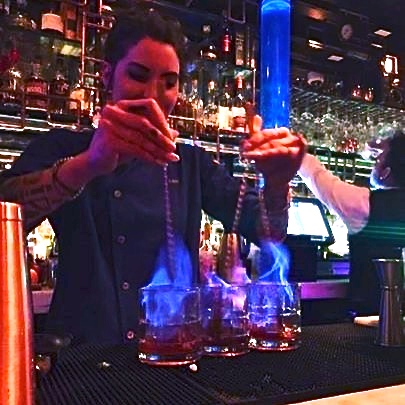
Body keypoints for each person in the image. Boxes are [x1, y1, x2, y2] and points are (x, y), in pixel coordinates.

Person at [0, 5, 305, 344]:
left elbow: (269, 232)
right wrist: (89, 163)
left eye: (169, 82)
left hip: (172, 352)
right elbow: (5, 215)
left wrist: (278, 183)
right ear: (106, 76)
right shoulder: (62, 147)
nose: (152, 96)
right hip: (79, 360)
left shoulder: (190, 163)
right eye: (138, 75)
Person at [299, 130, 405, 316]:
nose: (374, 163)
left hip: (369, 322)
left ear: (385, 173)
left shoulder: (366, 203)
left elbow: (320, 179)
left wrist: (297, 152)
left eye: (378, 160)